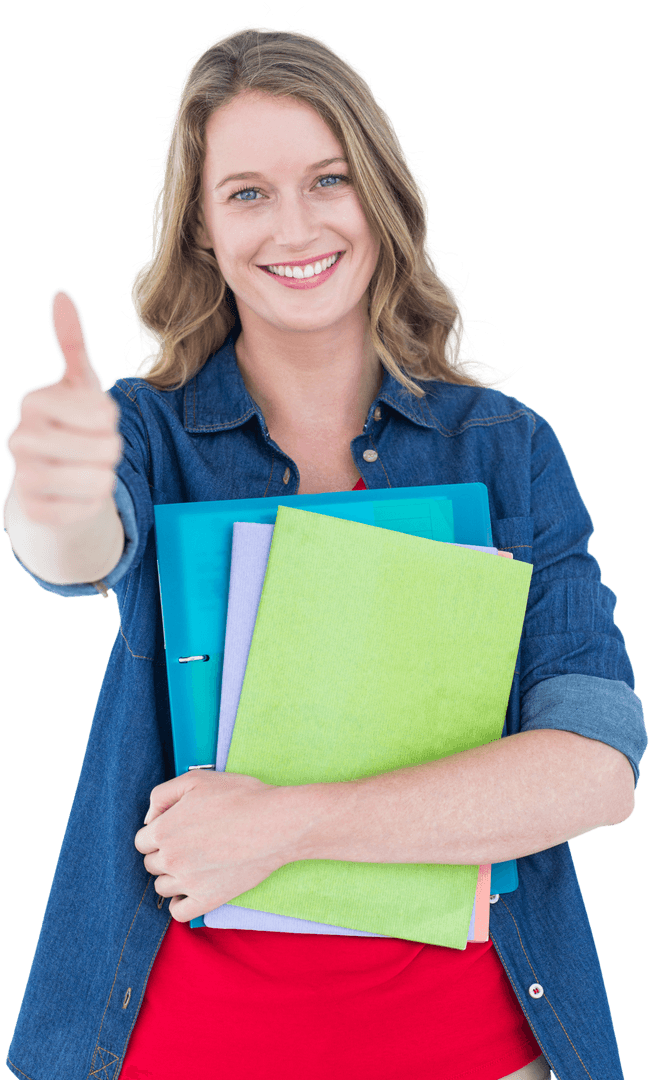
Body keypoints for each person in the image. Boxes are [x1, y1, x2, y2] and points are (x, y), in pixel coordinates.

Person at [2, 24, 646, 1080]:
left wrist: (286, 826)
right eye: (246, 193)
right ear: (202, 231)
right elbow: (75, 547)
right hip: (181, 1051)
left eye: (327, 179)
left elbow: (595, 768)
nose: (292, 224)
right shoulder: (151, 434)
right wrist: (49, 490)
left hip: (476, 1053)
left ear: (379, 199)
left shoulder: (503, 449)